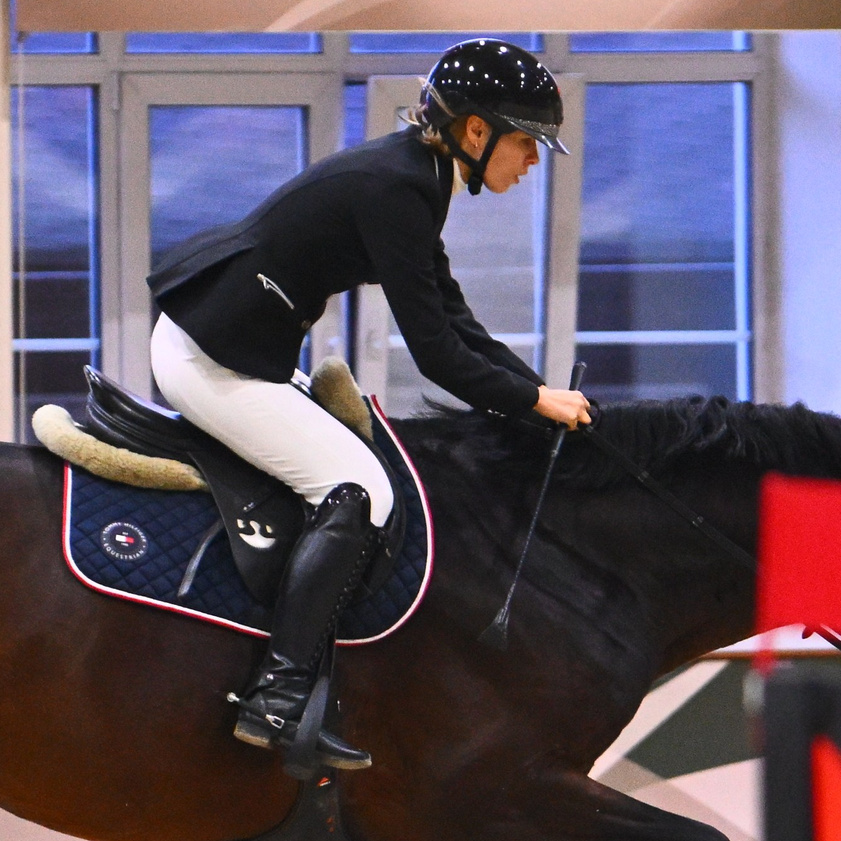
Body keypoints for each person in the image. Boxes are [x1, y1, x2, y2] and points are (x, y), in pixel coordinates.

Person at [146, 37, 591, 773]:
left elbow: (454, 316)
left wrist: (540, 395)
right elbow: (438, 353)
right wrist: (530, 401)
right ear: (474, 131)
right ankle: (278, 699)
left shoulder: (417, 174)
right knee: (359, 490)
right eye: (525, 142)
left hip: (232, 340)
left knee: (361, 474)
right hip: (209, 357)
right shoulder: (399, 187)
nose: (533, 161)